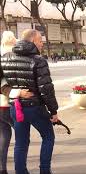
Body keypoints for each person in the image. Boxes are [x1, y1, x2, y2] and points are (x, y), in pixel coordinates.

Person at [1, 29, 59, 174]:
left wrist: (14, 93)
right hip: (34, 107)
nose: (42, 44)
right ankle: (45, 170)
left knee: (20, 142)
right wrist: (53, 111)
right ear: (33, 41)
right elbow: (46, 89)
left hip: (16, 107)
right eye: (40, 41)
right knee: (48, 137)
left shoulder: (5, 57)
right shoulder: (38, 60)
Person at [0, 31, 34, 174]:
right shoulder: (14, 57)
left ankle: (2, 169)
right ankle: (21, 169)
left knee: (3, 136)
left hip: (1, 105)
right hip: (12, 104)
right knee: (22, 139)